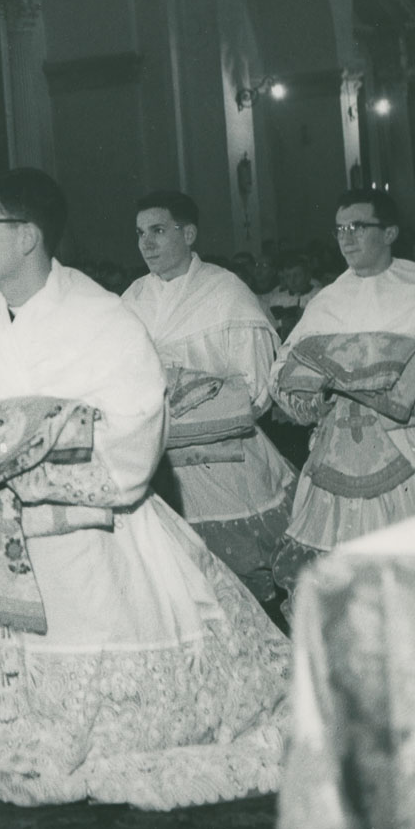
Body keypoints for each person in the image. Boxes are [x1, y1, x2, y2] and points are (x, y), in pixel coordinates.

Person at [0, 169, 289, 809]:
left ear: (27, 236)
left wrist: (16, 460)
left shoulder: (101, 317)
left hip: (93, 536)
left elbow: (134, 433)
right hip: (4, 543)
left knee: (114, 704)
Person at [269, 190, 415, 617]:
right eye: (339, 229)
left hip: (414, 454)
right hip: (337, 463)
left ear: (389, 233)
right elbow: (283, 376)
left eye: (357, 227)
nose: (346, 238)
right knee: (349, 603)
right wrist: (317, 391)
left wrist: (388, 375)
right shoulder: (328, 301)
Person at [121, 191, 296, 604]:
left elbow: (256, 389)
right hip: (158, 467)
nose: (146, 243)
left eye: (158, 231)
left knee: (244, 592)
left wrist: (186, 402)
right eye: (140, 233)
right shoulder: (132, 299)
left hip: (225, 461)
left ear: (189, 234)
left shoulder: (225, 292)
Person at [261, 253, 321, 338]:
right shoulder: (277, 299)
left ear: (308, 276)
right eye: (288, 276)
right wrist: (281, 324)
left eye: (297, 275)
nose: (292, 281)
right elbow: (269, 325)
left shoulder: (319, 295)